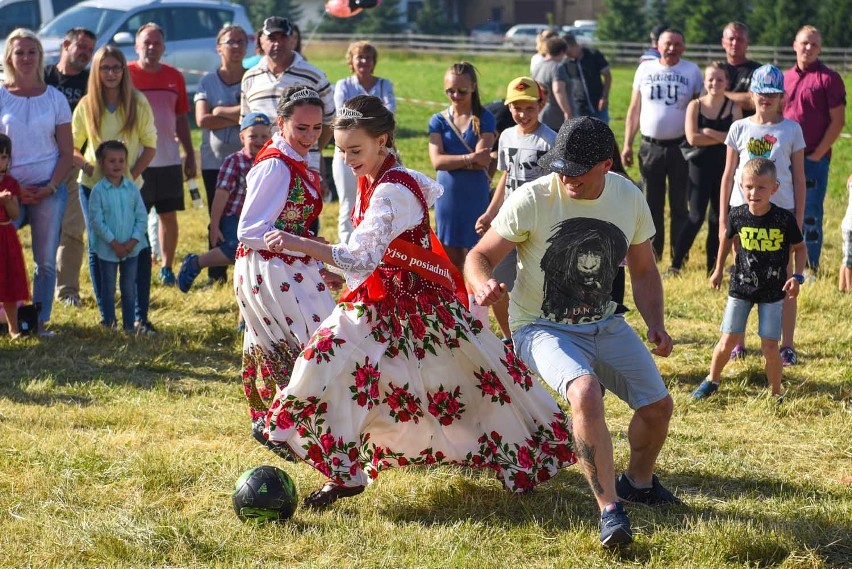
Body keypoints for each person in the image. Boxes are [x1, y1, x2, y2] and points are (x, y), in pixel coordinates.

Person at [261, 95, 577, 510]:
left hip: (418, 308)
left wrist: (299, 243)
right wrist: (334, 269)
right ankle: (343, 471)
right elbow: (373, 254)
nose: (347, 159)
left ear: (382, 140)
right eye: (340, 151)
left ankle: (524, 456)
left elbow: (361, 255)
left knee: (468, 383)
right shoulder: (375, 176)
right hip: (379, 302)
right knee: (327, 364)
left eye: (355, 150)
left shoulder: (392, 189)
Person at [466, 117, 680, 548]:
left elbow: (643, 269)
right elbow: (478, 255)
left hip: (605, 322)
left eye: (575, 171)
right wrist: (483, 283)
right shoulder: (532, 198)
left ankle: (638, 482)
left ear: (606, 165)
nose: (565, 179)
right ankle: (610, 509)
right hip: (539, 327)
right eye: (559, 168)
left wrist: (655, 321)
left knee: (658, 408)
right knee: (584, 392)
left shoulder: (628, 198)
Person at [235, 86, 338, 446]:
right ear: (282, 123)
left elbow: (288, 221)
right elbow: (248, 230)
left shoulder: (294, 158)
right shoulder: (276, 165)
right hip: (271, 269)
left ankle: (294, 427)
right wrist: (299, 246)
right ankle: (284, 427)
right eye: (302, 128)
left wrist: (307, 244)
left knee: (314, 341)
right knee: (310, 343)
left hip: (289, 265)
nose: (310, 136)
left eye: (316, 128)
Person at [694, 158, 806, 402]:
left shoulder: (783, 219)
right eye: (749, 187)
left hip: (773, 291)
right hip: (740, 287)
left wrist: (797, 276)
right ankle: (711, 380)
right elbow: (725, 240)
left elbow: (800, 247)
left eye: (762, 188)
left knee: (769, 345)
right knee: (728, 339)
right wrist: (717, 270)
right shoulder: (737, 215)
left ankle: (776, 392)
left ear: (775, 188)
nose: (754, 193)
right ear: (741, 186)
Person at [719, 64, 805, 367]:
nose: (765, 98)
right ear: (751, 94)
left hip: (782, 214)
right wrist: (722, 218)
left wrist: (799, 215)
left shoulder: (791, 129)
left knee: (785, 277)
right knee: (741, 275)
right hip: (743, 215)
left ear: (781, 95)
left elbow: (798, 177)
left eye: (772, 93)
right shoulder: (739, 128)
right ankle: (737, 341)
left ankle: (787, 345)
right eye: (760, 92)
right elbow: (728, 174)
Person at [73, 45, 157, 332]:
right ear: (96, 72)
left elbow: (150, 144)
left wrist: (130, 177)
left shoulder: (137, 102)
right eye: (104, 68)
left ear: (124, 70)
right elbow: (72, 147)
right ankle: (107, 319)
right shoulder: (87, 105)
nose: (110, 73)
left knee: (139, 247)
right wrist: (88, 168)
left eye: (116, 67)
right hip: (93, 188)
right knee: (99, 247)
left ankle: (139, 317)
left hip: (129, 187)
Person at [2, 28, 73, 337]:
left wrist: (51, 186)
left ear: (40, 56)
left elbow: (68, 153)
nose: (26, 57)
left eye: (32, 51)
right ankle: (7, 322)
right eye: (20, 52)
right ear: (8, 57)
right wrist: (11, 188)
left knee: (44, 261)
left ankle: (38, 322)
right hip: (7, 191)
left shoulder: (55, 98)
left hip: (48, 188)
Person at [475, 77, 555, 346]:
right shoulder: (507, 136)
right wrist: (489, 214)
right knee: (498, 279)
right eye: (517, 108)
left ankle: (544, 336)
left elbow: (556, 186)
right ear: (509, 108)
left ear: (541, 105)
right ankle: (511, 338)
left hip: (537, 222)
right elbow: (506, 178)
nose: (523, 114)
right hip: (508, 220)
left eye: (529, 108)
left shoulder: (549, 141)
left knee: (536, 281)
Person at [622, 28, 703, 261]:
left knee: (679, 204)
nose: (672, 48)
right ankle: (653, 254)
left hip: (681, 146)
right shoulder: (645, 69)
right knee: (651, 204)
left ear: (684, 47)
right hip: (650, 146)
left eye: (678, 44)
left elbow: (699, 108)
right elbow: (634, 109)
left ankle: (679, 256)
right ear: (658, 45)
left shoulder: (692, 71)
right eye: (668, 43)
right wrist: (627, 142)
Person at [128, 22, 197, 287]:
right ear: (137, 46)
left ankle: (166, 267)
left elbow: (181, 119)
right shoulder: (126, 74)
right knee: (137, 217)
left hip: (168, 158)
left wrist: (189, 154)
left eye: (156, 43)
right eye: (146, 42)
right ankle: (140, 264)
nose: (151, 47)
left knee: (168, 215)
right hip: (136, 161)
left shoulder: (174, 76)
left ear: (163, 47)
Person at [178, 112, 271, 293]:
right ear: (242, 137)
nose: (259, 141)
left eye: (264, 136)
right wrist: (214, 225)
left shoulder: (269, 161)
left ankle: (250, 296)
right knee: (237, 248)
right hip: (233, 217)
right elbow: (221, 195)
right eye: (253, 136)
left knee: (256, 255)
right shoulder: (235, 161)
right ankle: (197, 262)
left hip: (258, 219)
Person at [783, 25, 847, 274]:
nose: (808, 48)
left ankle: (809, 266)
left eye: (814, 44)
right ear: (794, 45)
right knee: (782, 210)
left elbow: (838, 121)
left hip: (812, 159)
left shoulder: (829, 79)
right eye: (804, 43)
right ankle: (782, 263)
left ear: (820, 48)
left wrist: (817, 154)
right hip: (783, 158)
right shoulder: (784, 78)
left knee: (809, 214)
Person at [669, 62, 741, 275]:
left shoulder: (734, 107)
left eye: (719, 79)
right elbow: (692, 138)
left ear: (727, 82)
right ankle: (676, 263)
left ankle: (712, 267)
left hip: (725, 169)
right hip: (699, 168)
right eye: (710, 79)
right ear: (704, 81)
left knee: (718, 217)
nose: (714, 83)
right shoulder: (695, 105)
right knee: (696, 216)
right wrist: (722, 137)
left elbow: (735, 140)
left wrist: (708, 131)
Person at [240, 17, 335, 176]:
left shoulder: (314, 75)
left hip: (305, 165)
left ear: (293, 40)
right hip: (263, 165)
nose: (277, 43)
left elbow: (330, 120)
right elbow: (245, 123)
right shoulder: (249, 77)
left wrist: (313, 147)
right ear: (261, 41)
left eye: (283, 37)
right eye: (271, 38)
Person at [428, 62, 496, 273]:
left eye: (461, 91)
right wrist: (470, 158)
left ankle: (476, 304)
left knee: (479, 257)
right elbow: (437, 161)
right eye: (450, 90)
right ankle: (454, 304)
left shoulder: (486, 118)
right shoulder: (437, 120)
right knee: (449, 262)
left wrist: (454, 159)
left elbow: (483, 160)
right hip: (447, 197)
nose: (455, 95)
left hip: (475, 195)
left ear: (473, 87)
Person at [194, 24, 248, 287]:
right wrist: (237, 115)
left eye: (240, 41)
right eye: (230, 42)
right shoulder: (207, 81)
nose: (236, 46)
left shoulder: (253, 78)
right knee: (216, 216)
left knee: (246, 215)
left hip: (248, 161)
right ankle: (216, 276)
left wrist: (220, 111)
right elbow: (203, 119)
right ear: (219, 48)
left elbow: (255, 119)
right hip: (214, 163)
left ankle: (246, 269)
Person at [45, 27, 95, 309]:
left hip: (77, 165)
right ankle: (30, 289)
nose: (86, 54)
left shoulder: (91, 83)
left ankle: (67, 291)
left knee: (73, 230)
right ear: (66, 44)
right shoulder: (45, 77)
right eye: (82, 47)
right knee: (40, 231)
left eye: (90, 50)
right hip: (43, 164)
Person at [332, 41, 395, 244]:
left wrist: (361, 123)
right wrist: (371, 121)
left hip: (378, 151)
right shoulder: (343, 85)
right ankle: (348, 248)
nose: (364, 61)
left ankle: (374, 246)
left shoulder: (385, 84)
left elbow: (389, 113)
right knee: (349, 201)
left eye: (368, 57)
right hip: (346, 151)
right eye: (360, 57)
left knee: (380, 200)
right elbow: (343, 117)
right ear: (351, 60)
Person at [87, 140, 148, 333]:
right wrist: (114, 243)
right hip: (108, 249)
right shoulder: (97, 191)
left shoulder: (132, 189)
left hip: (132, 250)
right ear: (101, 164)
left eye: (121, 160)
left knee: (129, 288)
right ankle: (109, 323)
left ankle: (129, 326)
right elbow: (96, 221)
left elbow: (141, 217)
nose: (117, 165)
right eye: (112, 161)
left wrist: (131, 243)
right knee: (109, 287)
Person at [0, 133, 29, 339]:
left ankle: (13, 328)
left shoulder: (10, 182)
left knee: (9, 283)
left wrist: (8, 202)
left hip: (6, 236)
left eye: (4, 156)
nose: (1, 160)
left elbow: (16, 214)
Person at [562, 32, 611, 123]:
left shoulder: (593, 54)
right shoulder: (565, 62)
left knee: (603, 133)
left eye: (568, 52)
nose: (567, 55)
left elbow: (607, 76)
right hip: (579, 106)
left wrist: (604, 96)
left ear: (575, 45)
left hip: (598, 103)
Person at [720, 22, 761, 116]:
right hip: (718, 129)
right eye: (731, 39)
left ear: (747, 43)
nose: (735, 43)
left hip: (748, 128)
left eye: (740, 39)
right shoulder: (717, 70)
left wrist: (718, 95)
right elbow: (704, 100)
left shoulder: (758, 71)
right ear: (723, 42)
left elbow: (753, 101)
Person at [532, 37, 572, 132]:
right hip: (555, 116)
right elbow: (558, 90)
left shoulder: (538, 66)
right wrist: (567, 112)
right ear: (562, 52)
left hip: (540, 113)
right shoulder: (558, 67)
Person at [840, 175, 852, 292]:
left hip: (848, 226)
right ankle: (849, 289)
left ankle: (841, 287)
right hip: (849, 228)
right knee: (849, 261)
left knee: (846, 259)